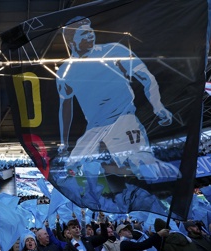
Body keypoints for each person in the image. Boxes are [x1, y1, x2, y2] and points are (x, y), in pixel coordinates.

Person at [54, 17, 178, 183]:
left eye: (90, 31)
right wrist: (64, 143)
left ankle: (175, 186)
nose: (90, 36)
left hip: (123, 120)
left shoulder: (114, 51)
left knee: (142, 166)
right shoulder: (64, 71)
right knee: (73, 169)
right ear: (71, 42)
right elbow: (65, 108)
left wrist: (158, 106)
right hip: (95, 127)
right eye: (84, 34)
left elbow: (147, 78)